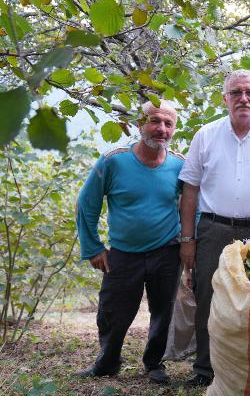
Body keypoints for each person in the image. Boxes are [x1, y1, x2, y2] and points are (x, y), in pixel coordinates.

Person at [178, 69, 250, 387]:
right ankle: (205, 370)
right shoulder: (206, 135)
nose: (244, 98)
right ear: (225, 98)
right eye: (237, 92)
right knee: (210, 298)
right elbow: (189, 191)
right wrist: (188, 238)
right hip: (215, 231)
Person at [75, 100, 185, 384]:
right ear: (140, 124)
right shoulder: (113, 160)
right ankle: (107, 361)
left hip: (167, 251)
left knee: (164, 310)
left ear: (173, 129)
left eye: (168, 124)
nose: (161, 129)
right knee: (112, 311)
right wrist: (93, 247)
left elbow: (192, 207)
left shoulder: (179, 164)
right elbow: (87, 204)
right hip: (124, 253)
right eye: (155, 121)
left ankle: (154, 364)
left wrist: (189, 243)